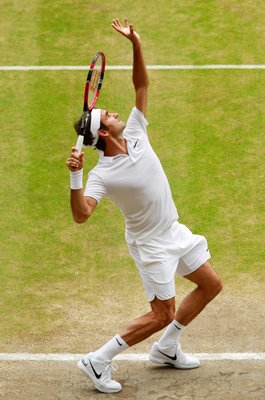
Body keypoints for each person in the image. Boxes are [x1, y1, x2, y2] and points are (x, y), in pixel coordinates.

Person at [66, 18, 223, 394]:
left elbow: (141, 84)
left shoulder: (136, 131)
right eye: (108, 115)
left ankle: (166, 348)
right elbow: (82, 214)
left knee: (210, 284)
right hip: (150, 245)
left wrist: (135, 43)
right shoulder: (102, 174)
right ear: (103, 133)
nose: (117, 113)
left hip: (174, 230)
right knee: (161, 314)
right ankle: (98, 360)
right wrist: (75, 178)